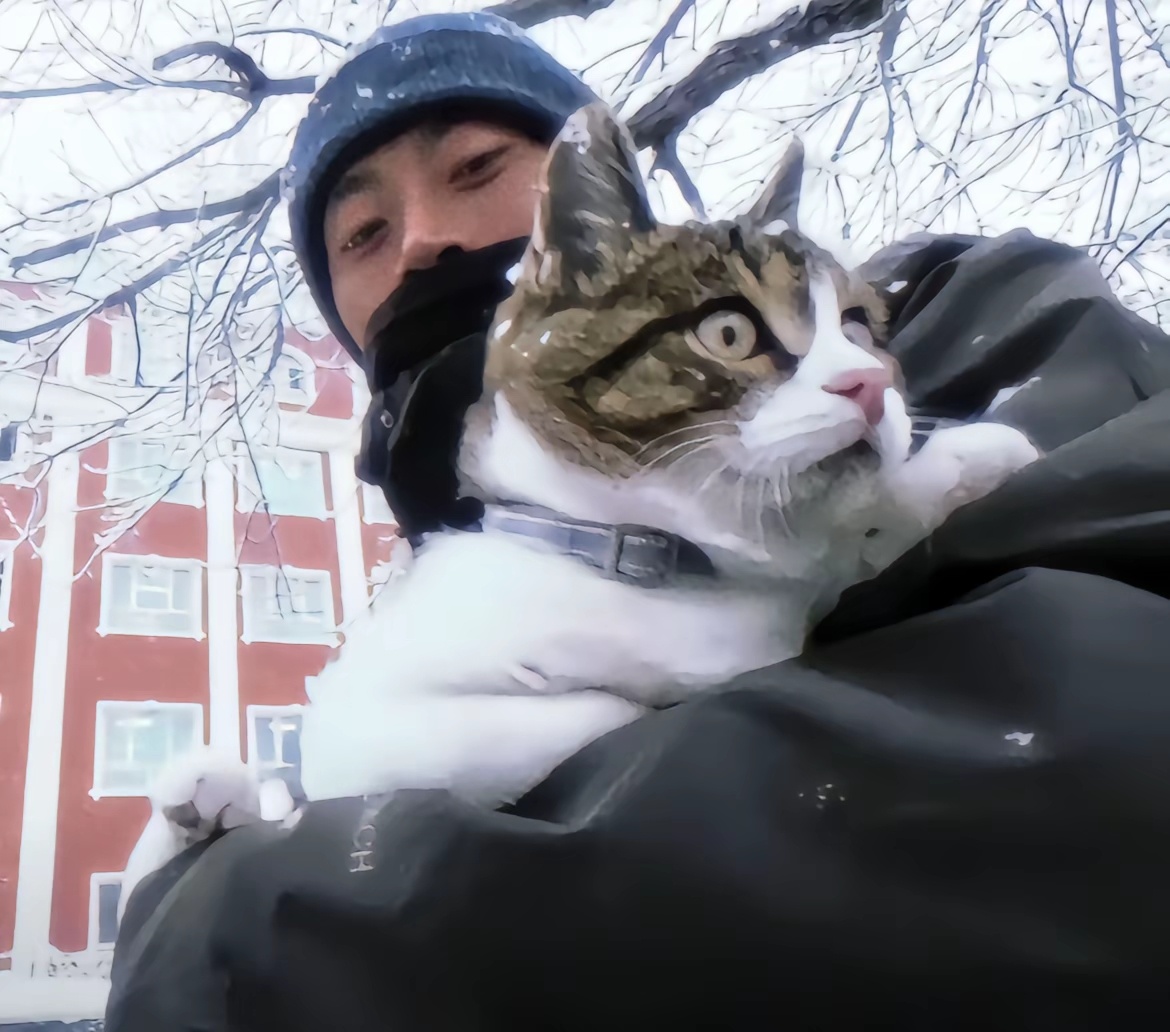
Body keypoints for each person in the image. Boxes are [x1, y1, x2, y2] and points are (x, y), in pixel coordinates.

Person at [105, 12, 1170, 1031]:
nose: (421, 239)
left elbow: (1097, 748)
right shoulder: (445, 575)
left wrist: (234, 931)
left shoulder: (944, 314)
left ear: (596, 212)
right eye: (364, 232)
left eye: (475, 167)